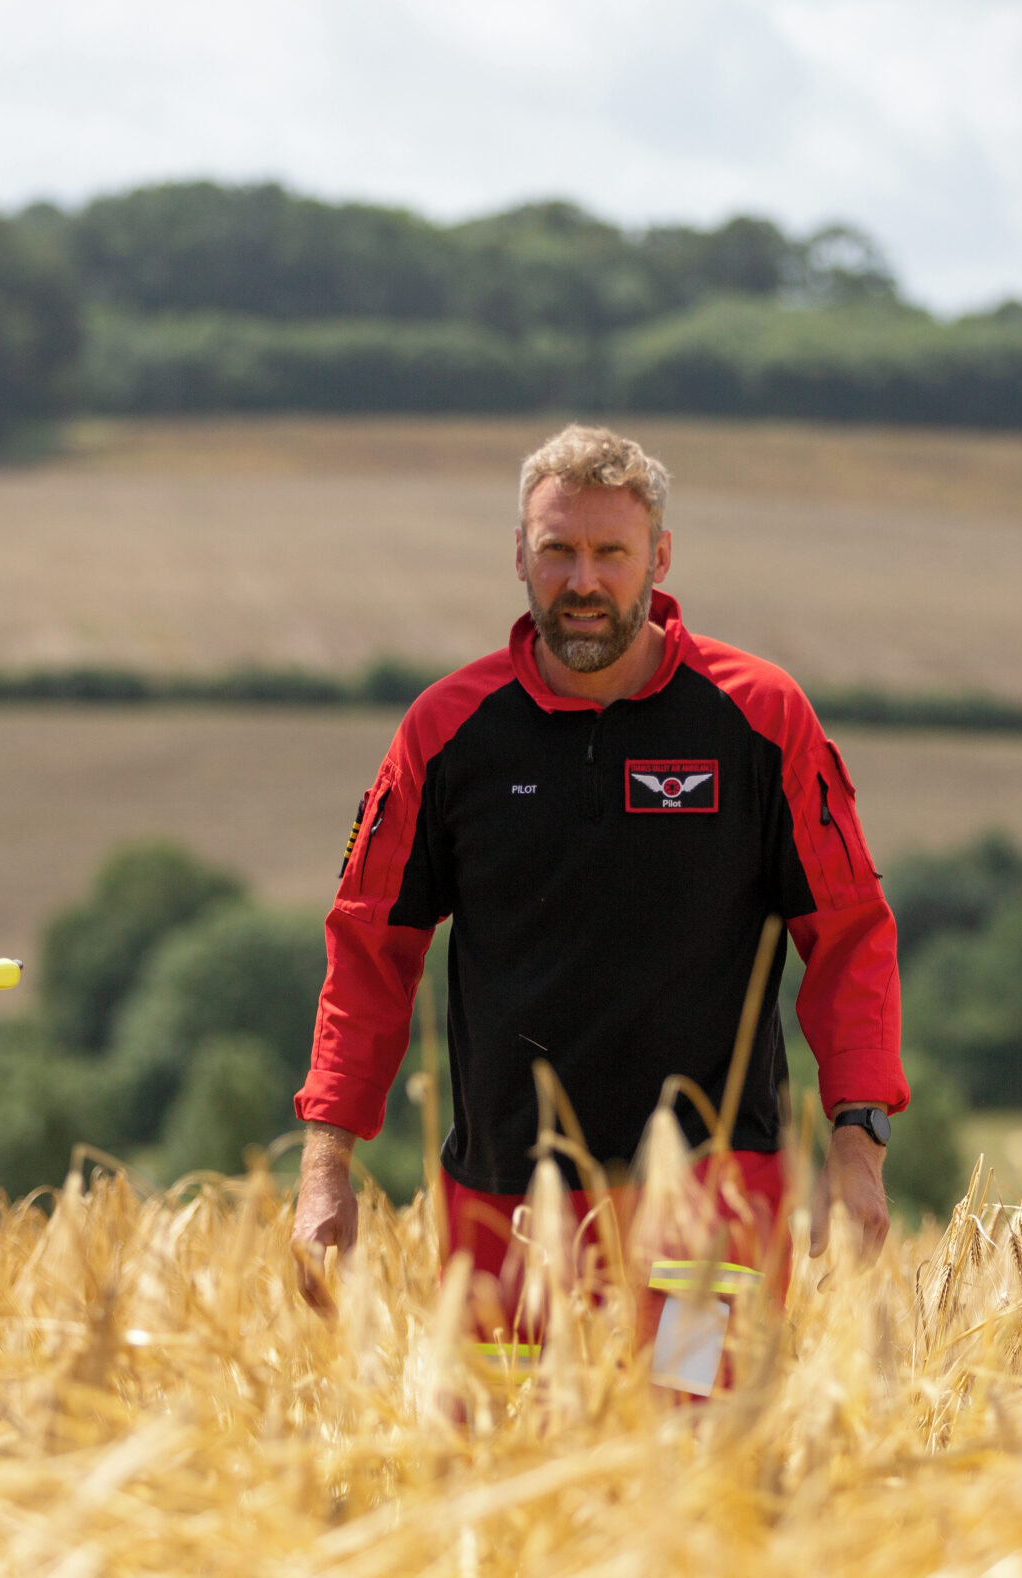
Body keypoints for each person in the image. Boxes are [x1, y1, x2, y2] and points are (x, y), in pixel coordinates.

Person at [289, 426, 906, 1290]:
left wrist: (858, 1141)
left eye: (610, 551)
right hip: (506, 1208)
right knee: (508, 1428)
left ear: (659, 555)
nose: (583, 582)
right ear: (518, 556)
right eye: (558, 551)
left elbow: (850, 935)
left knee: (701, 1426)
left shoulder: (761, 717)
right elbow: (367, 953)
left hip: (714, 1207)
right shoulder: (445, 733)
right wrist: (326, 1166)